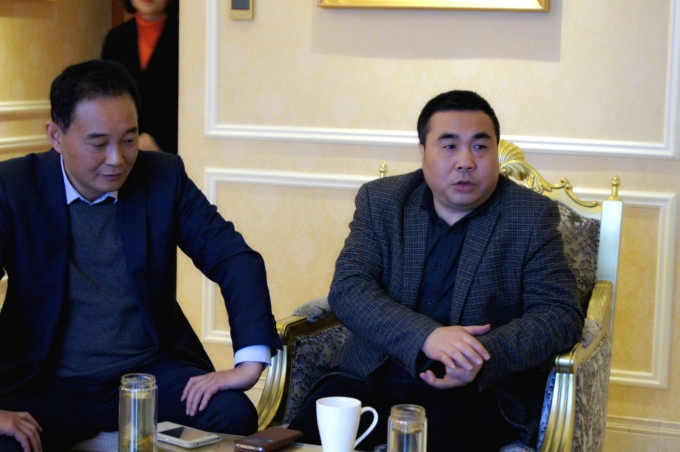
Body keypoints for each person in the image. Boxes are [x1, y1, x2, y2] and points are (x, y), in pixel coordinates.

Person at [0, 60, 281, 452]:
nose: (117, 159)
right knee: (8, 441)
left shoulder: (162, 177)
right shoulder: (14, 186)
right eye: (98, 143)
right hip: (48, 384)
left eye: (129, 140)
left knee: (233, 415)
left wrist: (248, 365)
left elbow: (234, 258)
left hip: (148, 376)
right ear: (56, 136)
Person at [288, 90, 584, 451]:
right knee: (303, 441)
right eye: (449, 146)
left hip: (472, 393)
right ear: (423, 151)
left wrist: (479, 354)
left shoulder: (530, 215)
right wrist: (427, 336)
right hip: (371, 378)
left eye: (480, 147)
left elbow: (559, 314)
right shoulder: (381, 201)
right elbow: (350, 287)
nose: (465, 162)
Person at [102, 0, 179, 154]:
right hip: (122, 147)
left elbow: (194, 97)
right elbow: (105, 96)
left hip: (173, 147)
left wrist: (159, 140)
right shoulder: (115, 38)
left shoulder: (186, 37)